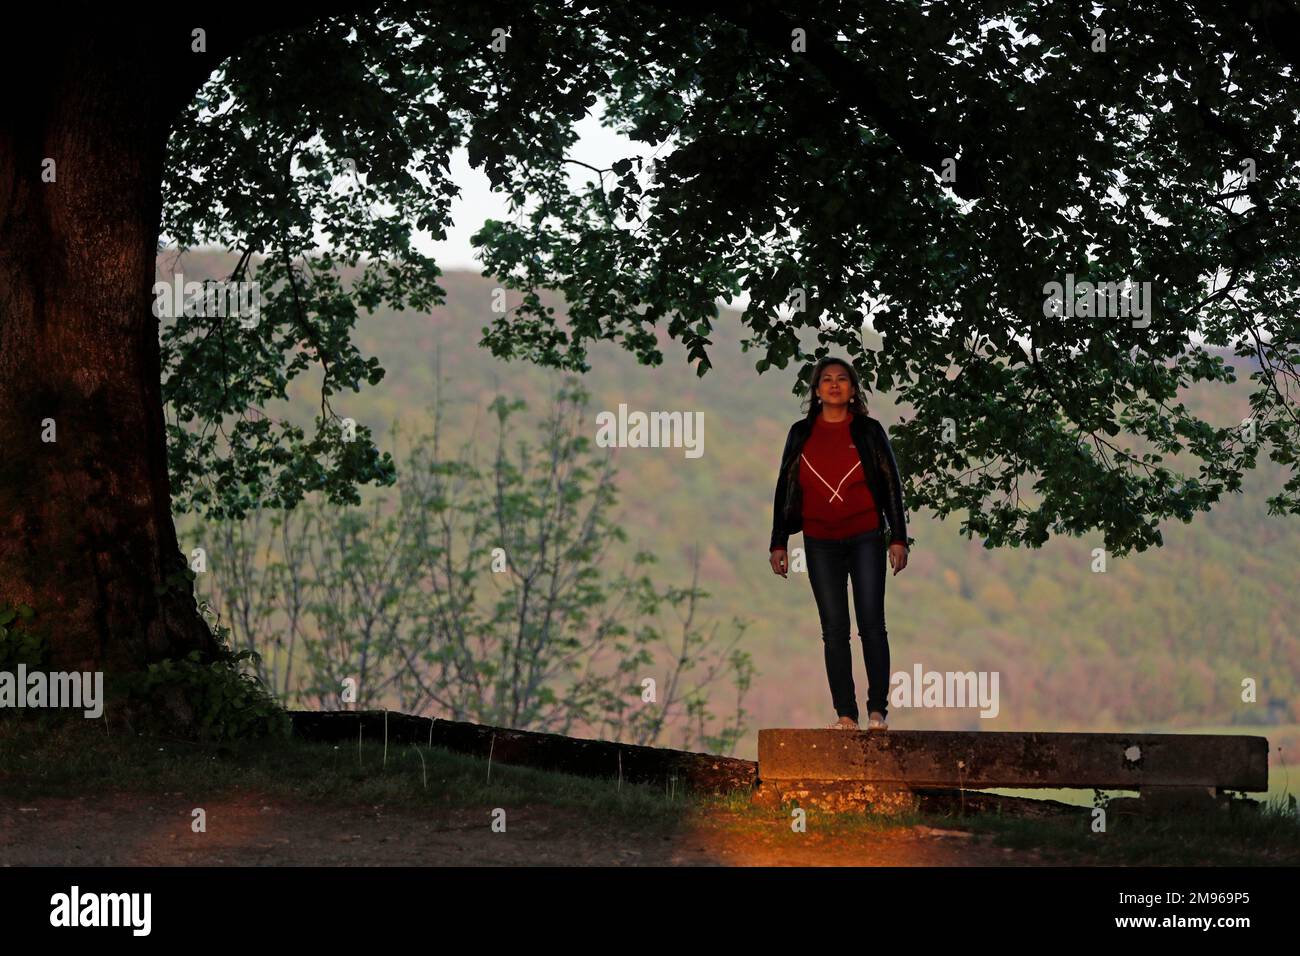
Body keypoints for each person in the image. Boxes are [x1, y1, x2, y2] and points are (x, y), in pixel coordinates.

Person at [768, 357, 911, 731]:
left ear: (852, 390)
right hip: (819, 542)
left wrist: (898, 537)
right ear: (816, 391)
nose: (834, 385)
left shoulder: (868, 430)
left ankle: (877, 711)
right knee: (834, 629)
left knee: (871, 624)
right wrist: (778, 542)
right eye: (826, 380)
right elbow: (785, 487)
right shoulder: (800, 433)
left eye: (842, 379)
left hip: (865, 537)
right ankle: (845, 715)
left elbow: (891, 483)